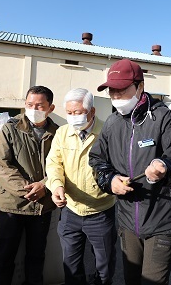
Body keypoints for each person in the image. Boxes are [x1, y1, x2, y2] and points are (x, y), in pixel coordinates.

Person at [88, 59, 171, 285]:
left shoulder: (163, 117)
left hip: (161, 219)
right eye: (112, 91)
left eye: (122, 90)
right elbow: (96, 159)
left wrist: (165, 168)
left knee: (152, 282)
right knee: (131, 280)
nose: (116, 97)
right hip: (126, 220)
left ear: (140, 87)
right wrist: (110, 179)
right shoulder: (112, 123)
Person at [46, 88, 117, 285]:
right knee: (71, 264)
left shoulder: (107, 132)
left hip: (101, 211)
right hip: (71, 210)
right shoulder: (62, 132)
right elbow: (54, 163)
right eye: (69, 113)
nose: (73, 117)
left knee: (104, 266)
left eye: (78, 112)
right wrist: (57, 186)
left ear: (91, 112)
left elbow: (117, 166)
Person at [0, 85, 58, 285]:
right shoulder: (11, 128)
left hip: (42, 207)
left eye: (39, 105)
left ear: (50, 108)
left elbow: (62, 165)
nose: (33, 109)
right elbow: (2, 164)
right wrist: (27, 190)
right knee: (5, 257)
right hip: (12, 204)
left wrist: (44, 186)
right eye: (29, 104)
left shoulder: (58, 133)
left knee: (36, 257)